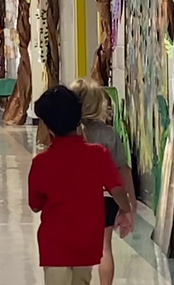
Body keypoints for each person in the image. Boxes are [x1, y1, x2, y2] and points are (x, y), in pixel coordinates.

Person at [29, 85, 133, 285]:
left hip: (55, 245)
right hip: (86, 243)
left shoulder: (41, 163)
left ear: (48, 127)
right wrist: (126, 210)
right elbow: (117, 189)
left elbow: (35, 204)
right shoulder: (98, 154)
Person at [70, 78, 137, 285]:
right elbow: (123, 170)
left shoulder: (70, 135)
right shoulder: (109, 134)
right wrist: (130, 203)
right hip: (106, 198)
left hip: (77, 199)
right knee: (104, 247)